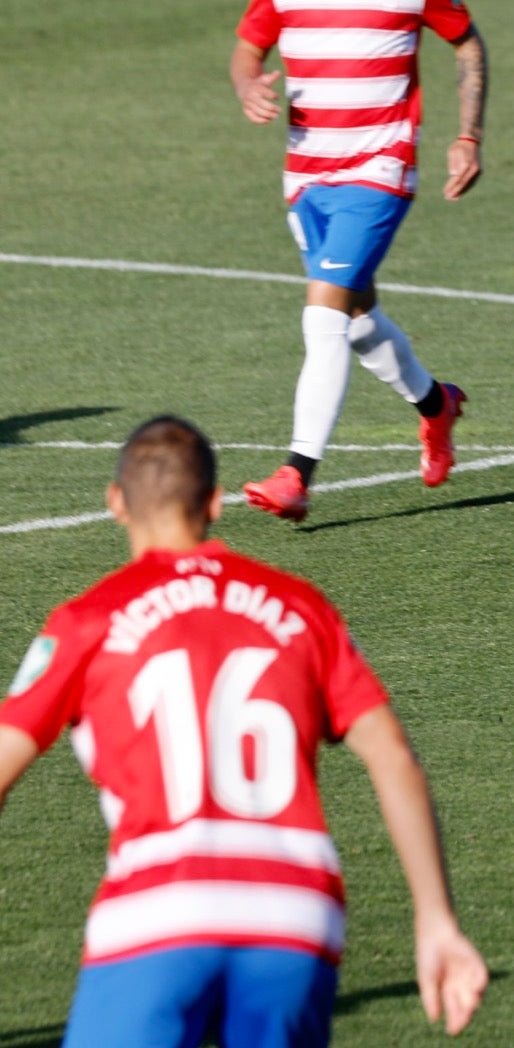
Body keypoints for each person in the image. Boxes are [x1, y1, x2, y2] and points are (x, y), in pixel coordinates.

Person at [0, 416, 488, 1044]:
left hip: (156, 912)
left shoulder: (86, 621)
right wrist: (436, 920)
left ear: (116, 502)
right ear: (214, 502)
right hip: (293, 917)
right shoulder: (302, 607)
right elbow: (394, 757)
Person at [232, 0, 489, 522]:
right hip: (305, 176)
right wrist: (248, 86)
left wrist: (468, 135)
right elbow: (247, 48)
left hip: (379, 172)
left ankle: (296, 472)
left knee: (322, 316)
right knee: (355, 319)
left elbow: (466, 42)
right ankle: (436, 404)